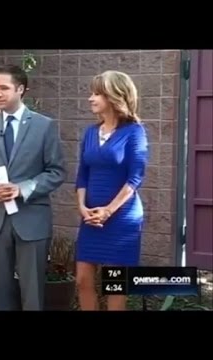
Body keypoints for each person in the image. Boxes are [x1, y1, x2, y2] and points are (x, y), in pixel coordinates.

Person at [0, 64, 66, 311]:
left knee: (33, 294)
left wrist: (24, 188)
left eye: (4, 88)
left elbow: (57, 172)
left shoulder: (45, 126)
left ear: (20, 89)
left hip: (32, 220)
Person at [75, 70, 149, 311]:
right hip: (91, 218)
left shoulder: (134, 132)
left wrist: (108, 210)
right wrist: (83, 209)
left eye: (97, 93)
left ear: (114, 97)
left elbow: (135, 177)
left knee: (114, 284)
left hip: (122, 218)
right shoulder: (89, 133)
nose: (91, 98)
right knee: (83, 279)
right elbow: (82, 174)